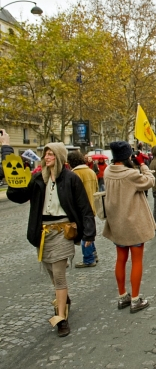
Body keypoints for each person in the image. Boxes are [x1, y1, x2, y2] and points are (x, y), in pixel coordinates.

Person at [7, 142, 96, 337]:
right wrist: (13, 180)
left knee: (59, 275)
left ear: (60, 157)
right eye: (46, 154)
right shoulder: (38, 178)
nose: (47, 157)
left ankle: (61, 318)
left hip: (63, 231)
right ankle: (65, 299)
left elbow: (84, 207)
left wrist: (89, 233)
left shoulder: (71, 179)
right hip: (43, 233)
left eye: (51, 154)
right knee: (51, 272)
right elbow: (21, 196)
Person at [102, 141, 156, 313]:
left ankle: (122, 296)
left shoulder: (108, 172)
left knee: (120, 259)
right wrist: (143, 165)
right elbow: (150, 181)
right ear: (127, 156)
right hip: (133, 223)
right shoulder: (130, 174)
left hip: (116, 222)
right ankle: (135, 299)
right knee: (137, 260)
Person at [67, 150, 100, 268]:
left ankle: (88, 258)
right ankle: (93, 254)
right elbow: (96, 188)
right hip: (92, 205)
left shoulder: (74, 174)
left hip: (80, 208)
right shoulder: (90, 172)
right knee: (89, 231)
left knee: (83, 234)